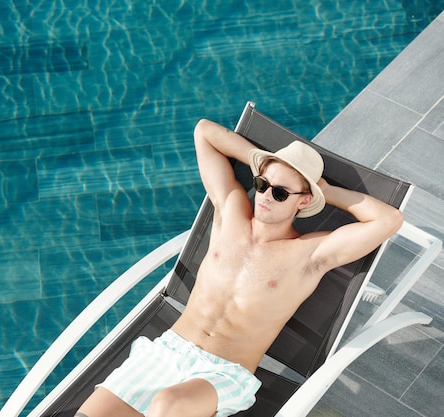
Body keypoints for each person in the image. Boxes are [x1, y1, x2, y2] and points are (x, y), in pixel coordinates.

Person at [75, 118, 404, 417]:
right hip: (166, 351)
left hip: (222, 375)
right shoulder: (230, 211)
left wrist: (325, 191)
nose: (264, 196)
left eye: (279, 193)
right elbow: (204, 132)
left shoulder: (309, 253)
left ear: (303, 201)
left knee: (167, 406)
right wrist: (259, 161)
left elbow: (389, 220)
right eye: (262, 185)